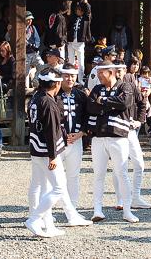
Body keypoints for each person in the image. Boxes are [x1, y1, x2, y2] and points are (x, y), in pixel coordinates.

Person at [26, 68, 91, 238]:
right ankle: (34, 219)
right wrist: (53, 156)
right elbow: (51, 131)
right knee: (59, 187)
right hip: (46, 151)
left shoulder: (35, 98)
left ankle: (48, 224)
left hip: (36, 149)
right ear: (56, 83)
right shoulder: (48, 102)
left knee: (40, 185)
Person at [86, 60, 139, 223]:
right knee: (98, 175)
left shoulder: (125, 86)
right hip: (99, 137)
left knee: (122, 173)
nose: (99, 76)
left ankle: (127, 210)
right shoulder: (97, 88)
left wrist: (102, 102)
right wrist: (110, 104)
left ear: (112, 72)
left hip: (118, 136)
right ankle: (97, 210)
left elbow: (124, 103)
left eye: (102, 73)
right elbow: (91, 107)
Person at [112, 62, 151, 210]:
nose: (119, 72)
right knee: (119, 166)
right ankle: (120, 199)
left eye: (122, 69)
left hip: (130, 130)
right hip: (115, 131)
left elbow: (142, 102)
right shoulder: (108, 88)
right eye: (117, 70)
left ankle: (136, 197)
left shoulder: (131, 85)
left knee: (139, 164)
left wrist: (139, 120)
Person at [58, 63, 88, 208]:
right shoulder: (54, 94)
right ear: (61, 76)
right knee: (54, 177)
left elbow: (88, 117)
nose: (70, 79)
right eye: (66, 75)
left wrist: (81, 133)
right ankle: (51, 210)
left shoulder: (81, 96)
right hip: (58, 141)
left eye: (72, 76)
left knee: (73, 175)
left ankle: (73, 207)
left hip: (76, 140)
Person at [67, 0, 92, 84]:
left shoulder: (86, 19)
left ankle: (80, 79)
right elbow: (69, 14)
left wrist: (86, 3)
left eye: (80, 9)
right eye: (77, 9)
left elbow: (88, 11)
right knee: (71, 61)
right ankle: (71, 79)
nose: (78, 11)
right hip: (71, 42)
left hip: (80, 43)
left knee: (81, 62)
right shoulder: (74, 18)